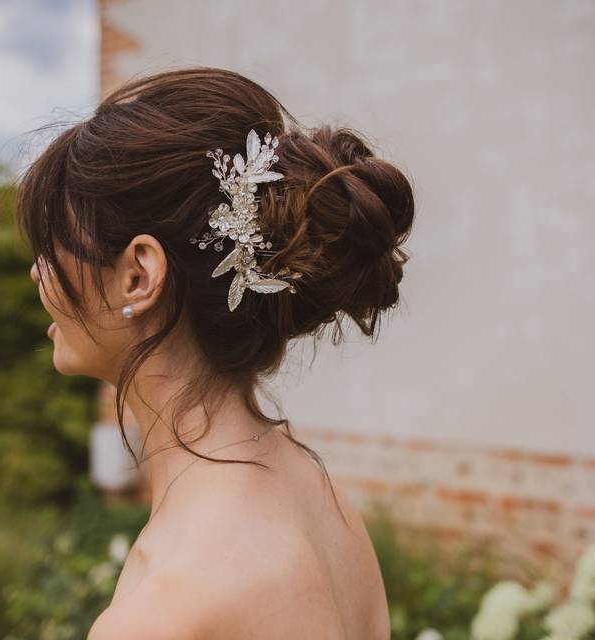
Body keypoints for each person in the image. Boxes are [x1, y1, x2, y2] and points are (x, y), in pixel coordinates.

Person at [20, 66, 415, 639]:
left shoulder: (166, 610)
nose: (37, 273)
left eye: (53, 249)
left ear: (139, 275)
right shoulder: (316, 495)